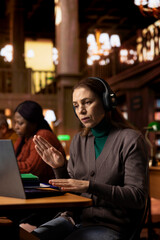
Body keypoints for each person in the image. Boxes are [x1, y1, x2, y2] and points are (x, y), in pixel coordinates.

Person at [23, 77, 149, 240]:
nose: (81, 110)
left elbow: (137, 197)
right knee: (29, 237)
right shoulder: (78, 141)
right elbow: (71, 194)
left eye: (87, 102)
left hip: (110, 227)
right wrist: (59, 168)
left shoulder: (131, 139)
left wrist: (89, 186)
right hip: (72, 220)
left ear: (106, 102)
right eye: (76, 105)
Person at [13, 100, 66, 183]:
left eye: (20, 123)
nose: (15, 127)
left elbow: (31, 169)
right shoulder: (23, 138)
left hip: (48, 188)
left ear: (33, 123)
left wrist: (7, 165)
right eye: (15, 122)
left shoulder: (42, 136)